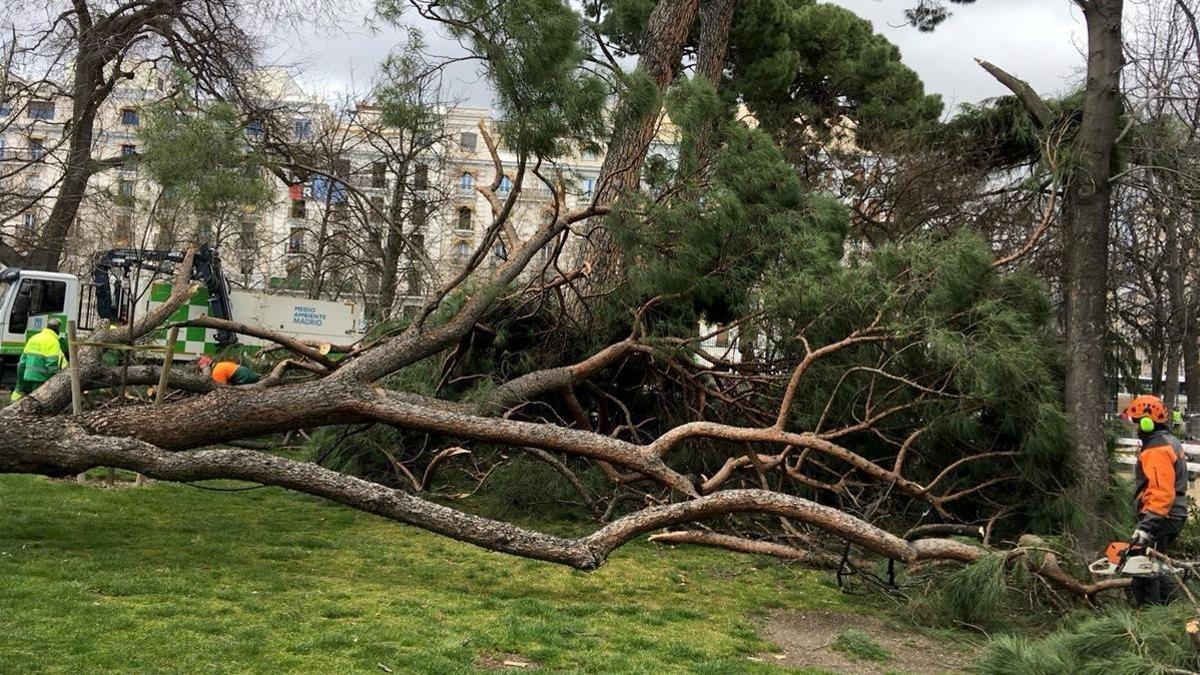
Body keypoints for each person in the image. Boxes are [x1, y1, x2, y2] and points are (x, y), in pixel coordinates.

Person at [1122, 394, 1189, 606]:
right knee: (1155, 567)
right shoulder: (1167, 442)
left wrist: (1147, 526)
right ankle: (1175, 611)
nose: (1135, 426)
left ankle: (1152, 617)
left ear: (1146, 421)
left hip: (1162, 517)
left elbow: (1162, 491)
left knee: (1145, 571)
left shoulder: (1157, 449)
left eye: (1135, 421)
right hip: (1167, 515)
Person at [10, 317, 67, 402]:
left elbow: (22, 362)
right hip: (40, 379)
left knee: (25, 402)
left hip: (27, 377)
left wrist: (21, 380)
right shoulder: (53, 341)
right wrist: (55, 382)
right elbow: (51, 365)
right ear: (57, 329)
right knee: (37, 403)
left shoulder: (34, 338)